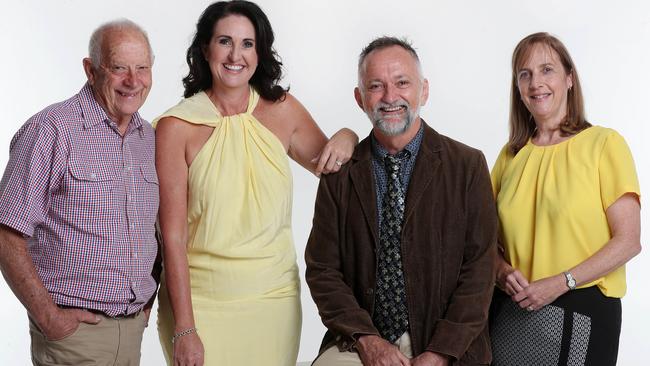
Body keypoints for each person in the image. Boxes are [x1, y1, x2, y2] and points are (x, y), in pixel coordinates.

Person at [154, 1, 358, 365]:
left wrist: (349, 134)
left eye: (248, 43)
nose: (236, 55)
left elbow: (333, 166)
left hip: (273, 300)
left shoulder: (283, 110)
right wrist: (185, 328)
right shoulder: (175, 127)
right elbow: (172, 237)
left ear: (260, 51)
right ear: (205, 49)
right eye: (224, 41)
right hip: (200, 303)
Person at [305, 37, 497, 366]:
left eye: (402, 82)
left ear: (423, 90)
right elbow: (323, 270)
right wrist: (367, 341)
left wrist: (440, 352)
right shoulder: (340, 172)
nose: (390, 97)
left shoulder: (467, 165)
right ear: (359, 98)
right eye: (376, 86)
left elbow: (480, 269)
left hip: (446, 343)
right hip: (360, 339)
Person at [0, 19, 159, 365]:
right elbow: (6, 234)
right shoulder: (51, 130)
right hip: (74, 338)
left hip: (133, 333)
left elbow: (153, 231)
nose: (133, 81)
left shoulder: (148, 139)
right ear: (91, 70)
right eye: (118, 68)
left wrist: (147, 304)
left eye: (142, 68)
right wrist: (49, 318)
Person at [489, 32, 642, 366]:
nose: (535, 83)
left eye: (547, 70)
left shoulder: (604, 144)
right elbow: (482, 242)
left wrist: (562, 282)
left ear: (569, 78)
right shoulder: (510, 156)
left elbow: (629, 241)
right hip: (511, 315)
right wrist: (500, 271)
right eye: (524, 74)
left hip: (581, 310)